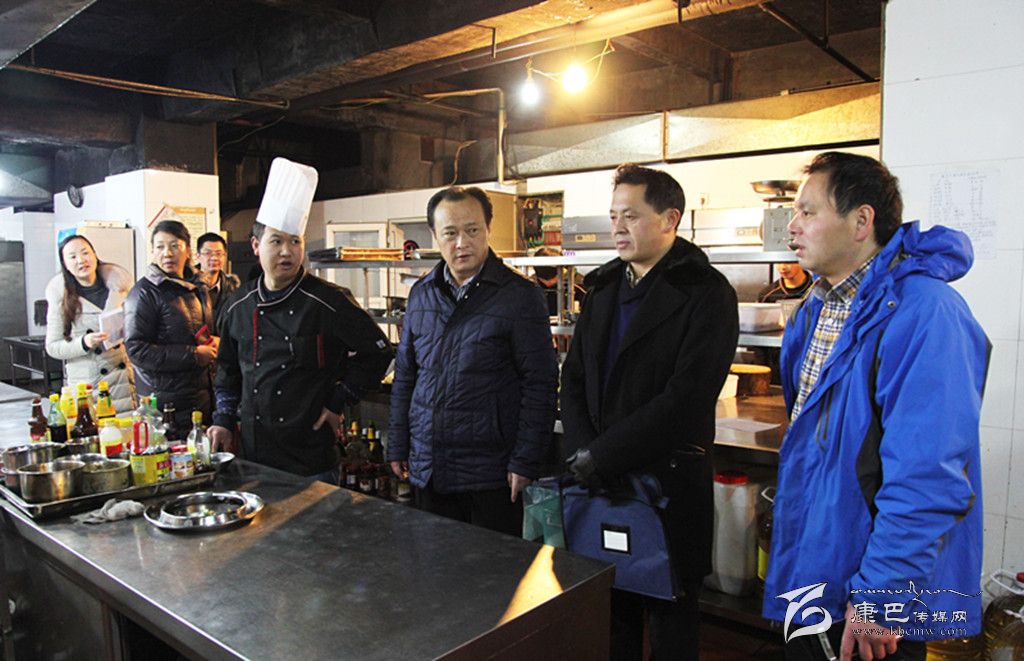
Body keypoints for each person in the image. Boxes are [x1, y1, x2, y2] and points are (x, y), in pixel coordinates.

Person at [763, 152, 988, 661]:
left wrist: (881, 596)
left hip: (875, 589)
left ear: (861, 220)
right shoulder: (815, 309)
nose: (792, 226)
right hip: (817, 568)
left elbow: (927, 474)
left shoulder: (926, 312)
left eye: (807, 212)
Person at [559, 164, 738, 660]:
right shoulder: (603, 289)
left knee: (670, 619)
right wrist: (584, 450)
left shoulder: (706, 294)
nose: (618, 227)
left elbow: (687, 398)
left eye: (631, 216)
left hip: (666, 483)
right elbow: (573, 378)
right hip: (602, 484)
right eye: (614, 216)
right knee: (611, 610)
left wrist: (602, 455)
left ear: (669, 219)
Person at [209, 158, 393, 484]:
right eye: (276, 241)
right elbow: (227, 371)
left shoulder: (329, 300)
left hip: (312, 456)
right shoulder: (238, 305)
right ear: (256, 246)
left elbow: (378, 352)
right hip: (254, 454)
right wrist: (223, 419)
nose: (287, 251)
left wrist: (339, 400)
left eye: (295, 241)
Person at [387, 186, 558, 536]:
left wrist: (525, 460)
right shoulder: (422, 294)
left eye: (472, 230)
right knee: (432, 561)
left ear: (488, 230)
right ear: (435, 235)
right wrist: (398, 443)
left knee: (493, 567)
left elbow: (540, 383)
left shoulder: (519, 296)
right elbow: (406, 376)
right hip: (429, 467)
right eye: (450, 233)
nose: (462, 242)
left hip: (492, 473)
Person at [124, 220, 217, 432]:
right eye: (160, 247)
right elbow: (137, 350)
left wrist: (214, 341)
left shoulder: (198, 287)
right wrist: (193, 355)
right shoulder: (144, 293)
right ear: (152, 251)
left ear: (188, 250)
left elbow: (196, 331)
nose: (167, 253)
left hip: (199, 396)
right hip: (166, 405)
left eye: (175, 246)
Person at [44, 235, 136, 412]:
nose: (81, 260)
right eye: (72, 257)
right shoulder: (60, 295)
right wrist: (84, 343)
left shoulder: (120, 286)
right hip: (89, 385)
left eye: (85, 253)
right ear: (65, 264)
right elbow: (53, 347)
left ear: (95, 255)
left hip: (124, 380)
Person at [195, 232, 240, 321]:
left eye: (219, 254)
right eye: (208, 253)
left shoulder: (232, 287)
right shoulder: (187, 285)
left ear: (224, 256)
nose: (214, 258)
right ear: (198, 256)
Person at [530, 246, 587, 317]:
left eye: (552, 279)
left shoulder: (578, 284)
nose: (548, 284)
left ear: (562, 269)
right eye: (542, 279)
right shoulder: (529, 285)